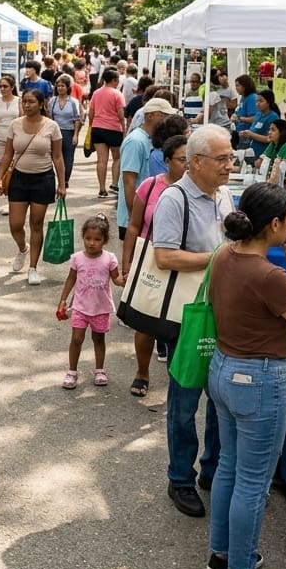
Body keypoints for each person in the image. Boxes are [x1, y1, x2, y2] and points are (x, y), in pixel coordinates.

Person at [207, 182, 286, 569]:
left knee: (230, 469)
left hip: (223, 368)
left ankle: (221, 554)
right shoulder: (271, 275)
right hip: (259, 378)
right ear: (274, 224)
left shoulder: (223, 255)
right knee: (253, 482)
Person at [153, 125, 236, 518]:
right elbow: (165, 257)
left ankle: (213, 470)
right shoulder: (174, 198)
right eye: (222, 159)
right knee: (185, 402)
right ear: (196, 161)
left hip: (221, 311)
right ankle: (180, 479)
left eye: (231, 157)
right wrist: (218, 259)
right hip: (187, 315)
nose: (229, 165)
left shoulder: (224, 197)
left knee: (220, 396)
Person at [123, 134, 190, 397]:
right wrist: (127, 263)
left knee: (181, 323)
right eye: (182, 159)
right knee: (145, 321)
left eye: (191, 159)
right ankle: (142, 371)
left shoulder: (199, 190)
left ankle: (178, 375)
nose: (187, 165)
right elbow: (134, 225)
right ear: (167, 161)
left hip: (185, 264)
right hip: (152, 262)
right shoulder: (150, 187)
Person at [0, 88, 67, 286]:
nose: (26, 105)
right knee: (15, 224)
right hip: (18, 178)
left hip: (43, 180)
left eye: (31, 102)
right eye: (24, 101)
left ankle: (33, 267)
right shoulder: (15, 125)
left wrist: (62, 184)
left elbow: (58, 157)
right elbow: (8, 154)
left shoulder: (52, 126)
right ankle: (22, 249)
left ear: (41, 104)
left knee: (36, 224)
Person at [57, 214, 125, 389]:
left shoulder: (109, 259)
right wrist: (63, 300)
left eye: (97, 239)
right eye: (88, 238)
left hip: (100, 308)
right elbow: (71, 279)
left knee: (98, 338)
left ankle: (100, 370)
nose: (91, 243)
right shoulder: (77, 258)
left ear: (105, 240)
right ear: (83, 237)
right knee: (77, 338)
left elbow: (116, 279)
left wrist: (125, 280)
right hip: (80, 306)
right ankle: (72, 371)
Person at [118, 98, 174, 242]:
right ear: (150, 116)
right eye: (164, 115)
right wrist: (133, 216)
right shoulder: (136, 141)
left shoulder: (148, 139)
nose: (167, 120)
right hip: (134, 217)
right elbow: (129, 181)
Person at [89, 68, 127, 198]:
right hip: (113, 129)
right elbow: (121, 115)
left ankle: (101, 189)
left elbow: (91, 112)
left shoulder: (96, 93)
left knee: (101, 160)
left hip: (97, 128)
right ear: (115, 80)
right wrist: (124, 129)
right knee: (117, 158)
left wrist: (91, 125)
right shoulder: (117, 94)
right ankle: (115, 184)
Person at [49, 74, 83, 183]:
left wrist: (76, 135)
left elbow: (77, 119)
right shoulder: (52, 101)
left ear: (68, 88)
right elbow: (49, 117)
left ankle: (65, 180)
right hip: (55, 132)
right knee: (56, 157)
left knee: (68, 159)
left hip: (69, 132)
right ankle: (58, 179)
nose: (60, 88)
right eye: (58, 86)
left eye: (62, 86)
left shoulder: (73, 102)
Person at [0, 72, 20, 170]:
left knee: (14, 168)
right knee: (0, 167)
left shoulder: (19, 101)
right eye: (0, 86)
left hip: (15, 140)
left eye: (5, 86)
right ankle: (2, 185)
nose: (2, 89)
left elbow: (23, 121)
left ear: (12, 87)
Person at [239, 89, 280, 162]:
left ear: (268, 102)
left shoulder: (273, 117)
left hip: (264, 155)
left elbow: (270, 139)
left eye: (261, 101)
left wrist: (252, 135)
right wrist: (245, 133)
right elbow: (253, 130)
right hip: (252, 152)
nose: (257, 104)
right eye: (257, 101)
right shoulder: (258, 114)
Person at [262, 119, 286, 197]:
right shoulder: (274, 144)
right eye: (269, 129)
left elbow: (280, 172)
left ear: (282, 132)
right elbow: (260, 164)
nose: (269, 132)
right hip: (283, 185)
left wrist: (267, 188)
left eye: (273, 130)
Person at [232, 75, 259, 142]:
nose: (236, 88)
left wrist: (239, 118)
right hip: (240, 133)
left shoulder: (252, 98)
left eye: (238, 85)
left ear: (245, 86)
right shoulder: (243, 97)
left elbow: (255, 118)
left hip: (247, 135)